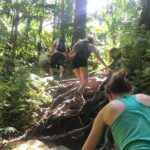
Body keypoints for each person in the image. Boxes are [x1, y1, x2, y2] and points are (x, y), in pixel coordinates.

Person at [82, 69, 150, 150]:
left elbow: (88, 148)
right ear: (130, 91)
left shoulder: (108, 109)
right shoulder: (145, 98)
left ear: (108, 95)